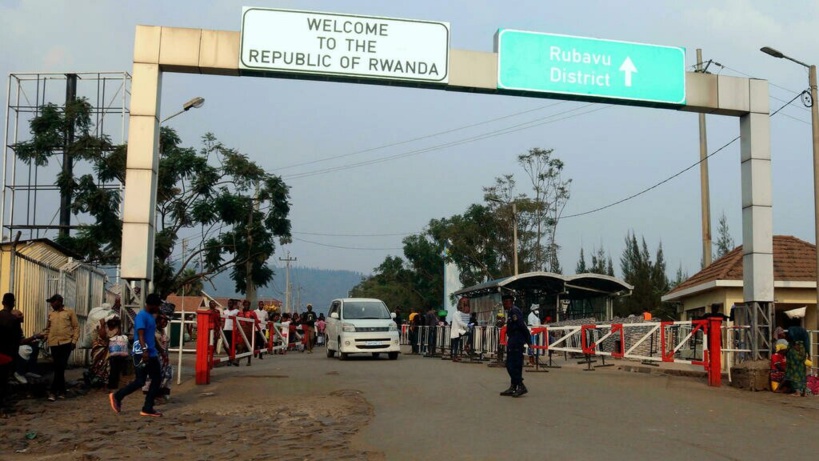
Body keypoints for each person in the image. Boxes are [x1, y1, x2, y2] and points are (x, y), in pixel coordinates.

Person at [109, 293, 163, 417]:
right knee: (143, 380)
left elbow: (151, 336)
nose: (158, 308)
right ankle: (120, 397)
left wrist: (160, 350)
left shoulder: (150, 317)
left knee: (148, 380)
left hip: (151, 353)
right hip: (142, 353)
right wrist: (144, 351)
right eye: (157, 306)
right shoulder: (141, 317)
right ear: (152, 305)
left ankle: (146, 407)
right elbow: (141, 335)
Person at [41, 294, 79, 401]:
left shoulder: (69, 312)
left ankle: (53, 392)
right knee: (58, 368)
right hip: (53, 343)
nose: (52, 304)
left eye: (53, 302)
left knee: (60, 366)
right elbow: (48, 328)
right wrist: (44, 337)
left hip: (66, 343)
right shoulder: (51, 314)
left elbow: (76, 327)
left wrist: (74, 341)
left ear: (59, 301)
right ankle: (61, 391)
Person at [500, 294, 530, 398]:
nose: (503, 304)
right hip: (513, 339)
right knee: (512, 364)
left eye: (504, 302)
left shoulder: (514, 311)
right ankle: (513, 386)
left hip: (517, 340)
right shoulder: (510, 312)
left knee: (511, 365)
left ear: (509, 302)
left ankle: (520, 386)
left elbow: (522, 325)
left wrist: (528, 339)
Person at [0, 293, 24, 410]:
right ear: (13, 303)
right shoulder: (14, 320)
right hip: (7, 353)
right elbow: (17, 339)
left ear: (2, 303)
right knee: (4, 378)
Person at [142, 314, 172, 403]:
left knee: (166, 375)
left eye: (166, 321)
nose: (165, 323)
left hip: (164, 358)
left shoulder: (162, 331)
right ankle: (151, 397)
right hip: (155, 357)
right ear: (158, 320)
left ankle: (160, 395)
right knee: (154, 377)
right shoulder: (152, 331)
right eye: (164, 320)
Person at [783, 326, 810, 397]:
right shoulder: (803, 341)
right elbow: (807, 345)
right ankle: (804, 391)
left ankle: (797, 391)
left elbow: (788, 349)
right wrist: (808, 354)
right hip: (802, 354)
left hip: (793, 356)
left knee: (794, 372)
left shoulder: (793, 343)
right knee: (802, 371)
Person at [106, 317, 128, 389]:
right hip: (111, 352)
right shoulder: (106, 328)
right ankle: (112, 384)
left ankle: (114, 384)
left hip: (116, 352)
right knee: (113, 369)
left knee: (116, 369)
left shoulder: (116, 329)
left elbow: (119, 335)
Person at [222, 299, 240, 366]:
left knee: (232, 345)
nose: (229, 304)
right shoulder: (225, 311)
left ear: (233, 304)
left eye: (231, 303)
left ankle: (230, 360)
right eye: (228, 303)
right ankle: (231, 357)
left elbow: (239, 321)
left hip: (233, 330)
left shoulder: (237, 311)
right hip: (226, 329)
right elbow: (223, 321)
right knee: (225, 345)